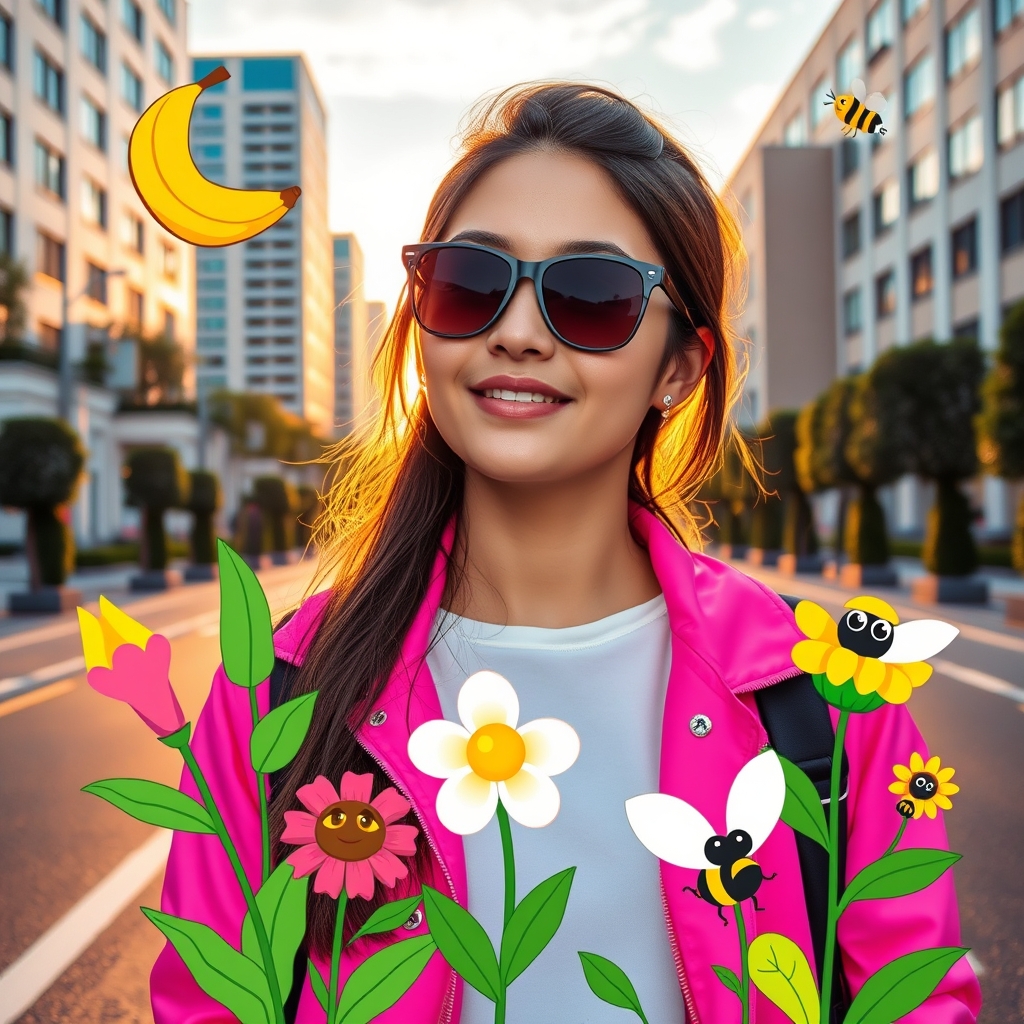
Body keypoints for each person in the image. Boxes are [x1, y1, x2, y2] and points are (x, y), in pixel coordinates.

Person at [152, 83, 981, 1024]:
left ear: (680, 366)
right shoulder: (281, 688)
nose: (515, 332)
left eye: (590, 298)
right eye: (470, 281)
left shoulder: (827, 694)